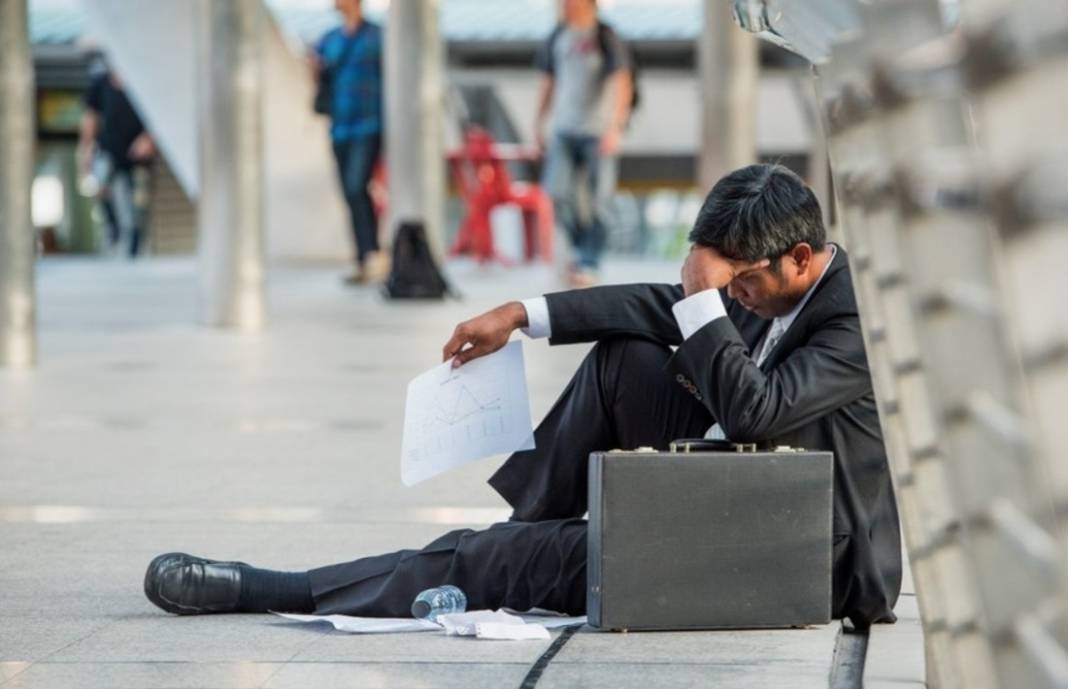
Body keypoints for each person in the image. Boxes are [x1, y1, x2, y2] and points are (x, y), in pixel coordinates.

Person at [143, 164, 902, 628]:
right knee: (625, 358)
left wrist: (706, 299)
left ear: (800, 258)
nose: (731, 298)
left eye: (740, 285)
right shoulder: (777, 285)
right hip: (749, 488)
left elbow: (755, 412)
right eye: (722, 283)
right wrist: (522, 315)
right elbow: (656, 307)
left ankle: (281, 590)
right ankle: (524, 532)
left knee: (500, 560)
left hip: (797, 555)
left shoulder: (858, 317)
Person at [534, 0, 634, 288]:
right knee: (556, 193)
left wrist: (615, 128)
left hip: (597, 130)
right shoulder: (557, 36)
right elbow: (547, 82)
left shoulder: (605, 36)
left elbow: (622, 82)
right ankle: (580, 249)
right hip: (563, 130)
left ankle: (589, 261)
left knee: (599, 200)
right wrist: (538, 123)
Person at [313, 0, 388, 285]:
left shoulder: (377, 36)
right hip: (339, 127)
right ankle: (363, 258)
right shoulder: (330, 39)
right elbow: (319, 73)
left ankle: (373, 253)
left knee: (358, 187)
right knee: (349, 192)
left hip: (369, 124)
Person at [78, 62, 154, 258]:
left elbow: (160, 112)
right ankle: (114, 228)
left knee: (138, 198)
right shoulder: (100, 82)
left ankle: (136, 239)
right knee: (100, 187)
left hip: (136, 152)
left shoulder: (143, 78)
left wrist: (148, 138)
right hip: (107, 149)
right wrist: (86, 149)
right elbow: (90, 118)